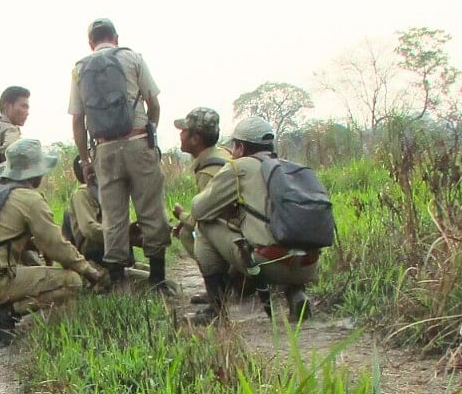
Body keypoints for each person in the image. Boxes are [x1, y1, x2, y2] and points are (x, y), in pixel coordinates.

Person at [0, 137, 104, 343]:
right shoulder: (29, 199)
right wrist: (87, 270)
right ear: (35, 172)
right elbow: (56, 245)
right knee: (71, 281)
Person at [180, 115, 318, 323]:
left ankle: (216, 310)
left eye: (234, 147)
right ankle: (296, 293)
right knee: (284, 234)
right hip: (308, 266)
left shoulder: (239, 167)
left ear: (241, 148)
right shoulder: (291, 168)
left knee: (205, 225)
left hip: (268, 264)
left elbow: (200, 209)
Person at [68, 18, 168, 291]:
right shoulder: (132, 58)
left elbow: (77, 120)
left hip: (104, 149)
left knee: (113, 216)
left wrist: (86, 160)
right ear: (116, 37)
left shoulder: (80, 68)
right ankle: (158, 279)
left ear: (90, 43)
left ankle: (118, 281)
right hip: (138, 141)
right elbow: (154, 103)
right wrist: (151, 134)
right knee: (151, 209)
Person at [167, 107, 233, 312]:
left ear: (195, 139)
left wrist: (181, 215)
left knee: (192, 233)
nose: (181, 134)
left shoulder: (207, 170)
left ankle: (217, 300)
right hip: (242, 228)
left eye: (184, 131)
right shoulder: (223, 154)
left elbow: (206, 219)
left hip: (233, 233)